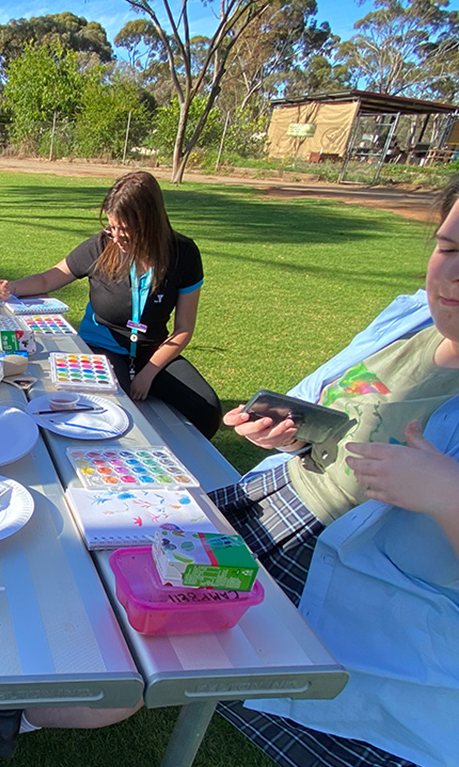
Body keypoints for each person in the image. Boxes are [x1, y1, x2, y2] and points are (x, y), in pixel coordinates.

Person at [213, 177, 459, 767]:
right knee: (124, 592)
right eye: (450, 249)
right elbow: (321, 400)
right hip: (268, 503)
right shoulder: (407, 320)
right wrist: (281, 430)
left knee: (190, 654)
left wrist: (447, 494)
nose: (453, 275)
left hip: (343, 577)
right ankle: (20, 703)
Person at [0, 171, 222, 439]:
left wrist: (149, 373)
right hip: (104, 347)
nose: (115, 237)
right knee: (117, 410)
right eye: (111, 227)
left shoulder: (184, 253)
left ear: (149, 225)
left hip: (153, 352)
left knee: (208, 411)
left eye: (123, 231)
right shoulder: (101, 246)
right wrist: (13, 287)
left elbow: (183, 329)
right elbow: (48, 279)